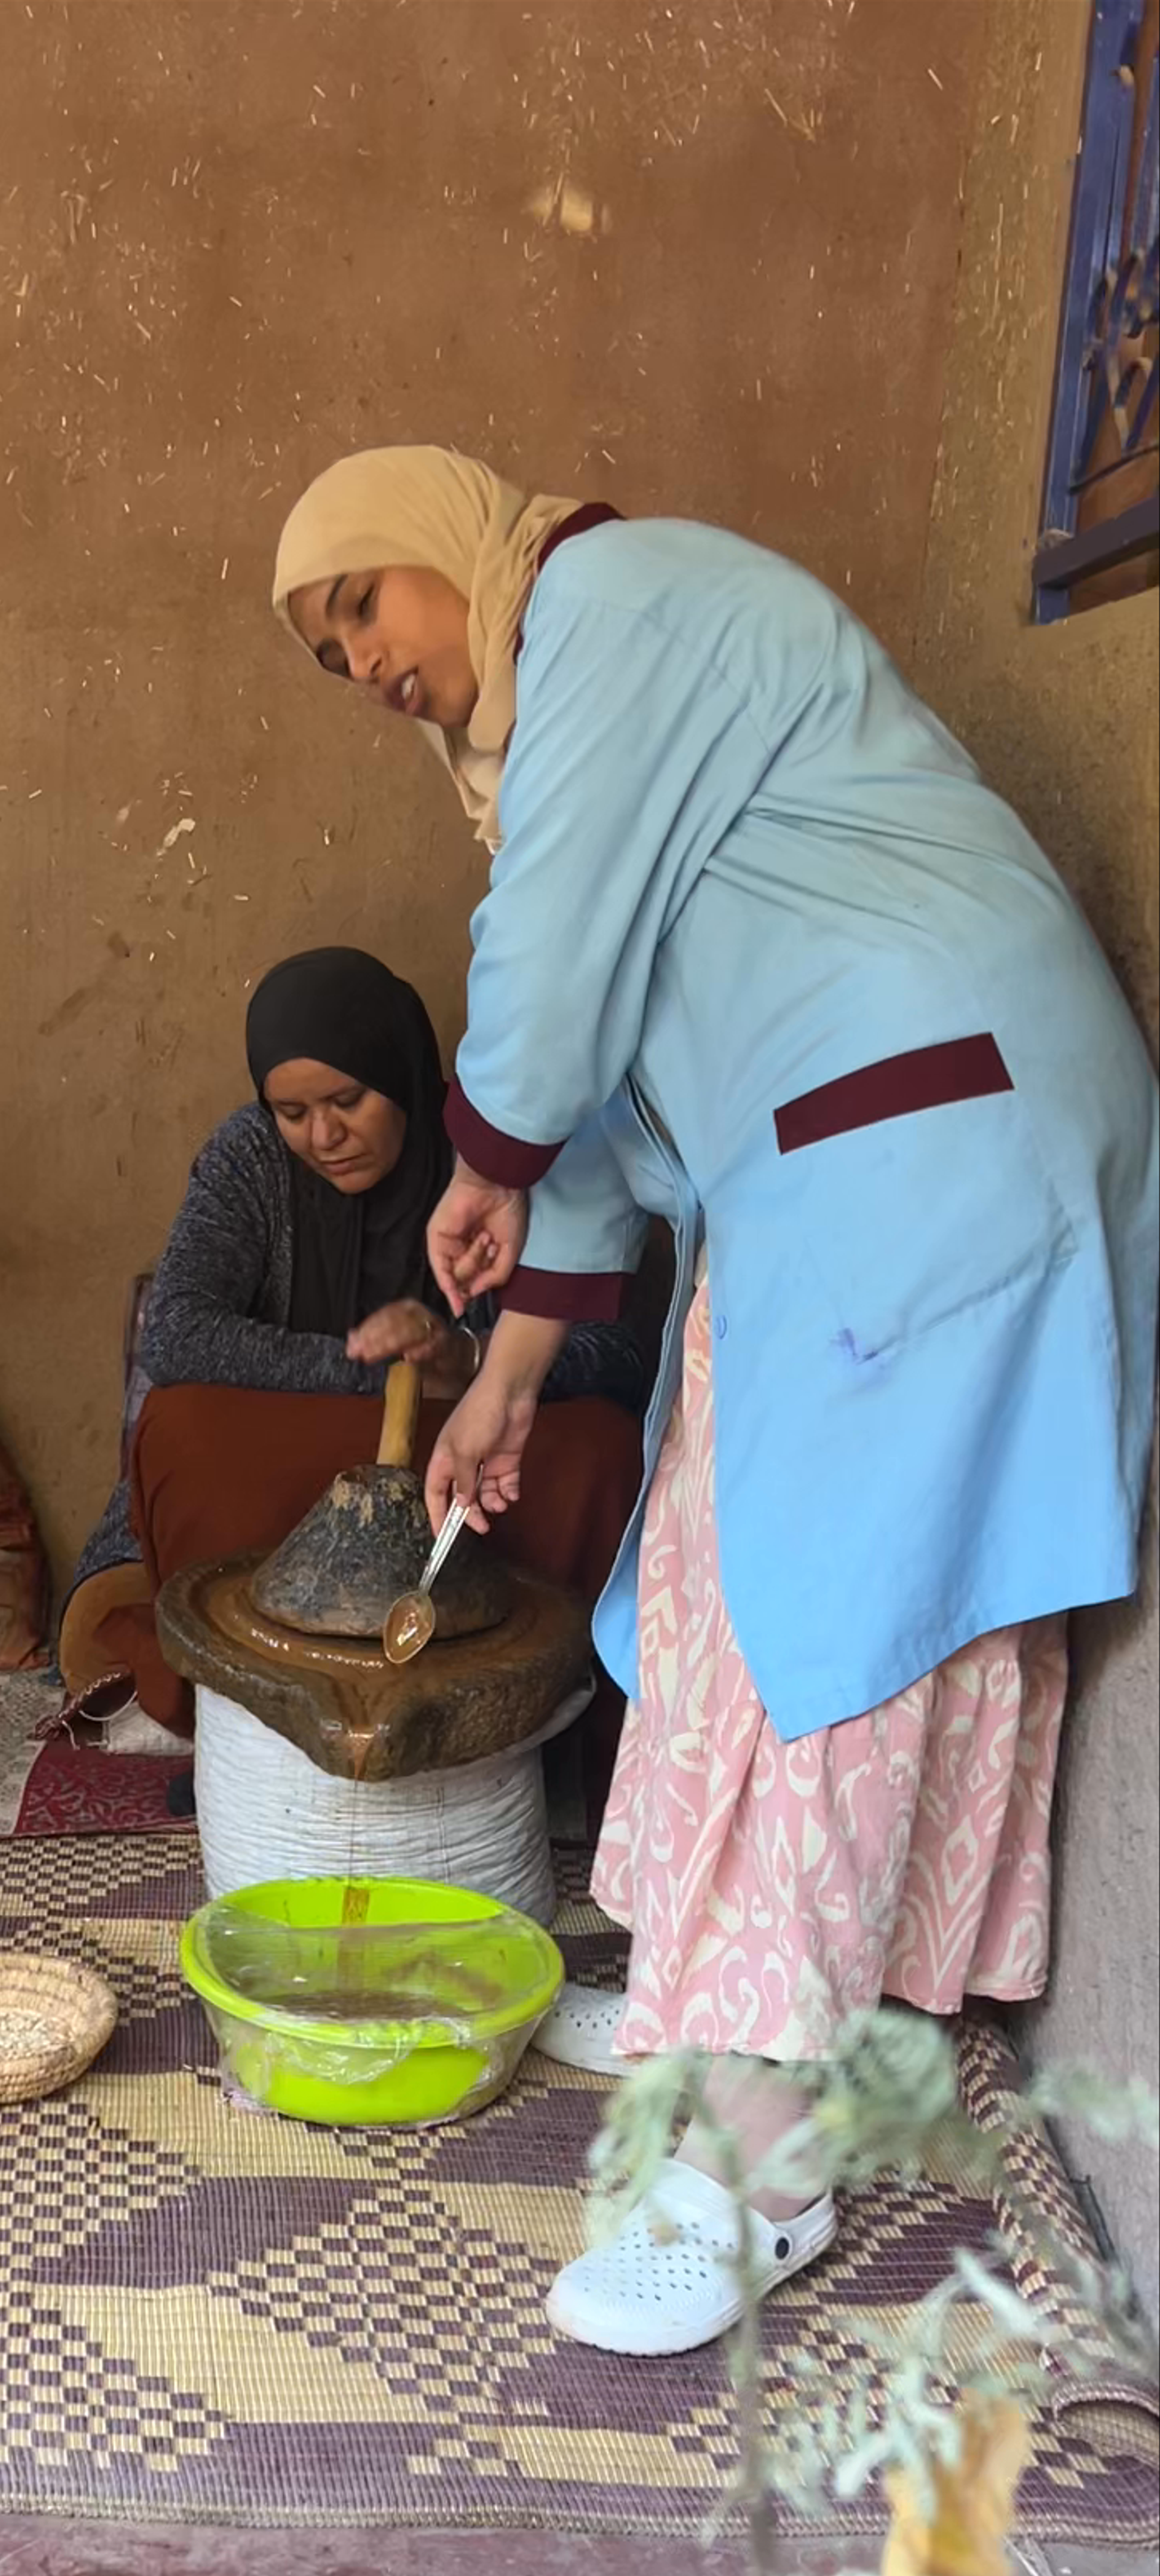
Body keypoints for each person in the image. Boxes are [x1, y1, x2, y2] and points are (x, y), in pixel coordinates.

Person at [272, 447, 1159, 2359]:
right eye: (322, 645)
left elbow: (544, 1008)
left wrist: (477, 1152)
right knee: (710, 1562)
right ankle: (720, 1991)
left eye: (360, 602)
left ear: (445, 543)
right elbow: (599, 1101)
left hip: (939, 1137)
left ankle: (760, 2165)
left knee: (812, 1624)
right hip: (842, 1158)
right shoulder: (566, 744)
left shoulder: (617, 607)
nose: (355, 659)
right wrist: (506, 1376)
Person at [61, 946, 650, 1749]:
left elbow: (617, 1348)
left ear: (401, 1073)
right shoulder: (251, 1158)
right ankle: (256, 1714)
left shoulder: (492, 1163)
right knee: (182, 1428)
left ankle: (532, 1715)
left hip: (468, 1468)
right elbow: (178, 1332)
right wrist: (377, 1371)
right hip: (302, 1468)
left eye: (348, 1100)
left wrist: (471, 1368)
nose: (323, 1136)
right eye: (292, 1112)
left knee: (604, 1450)